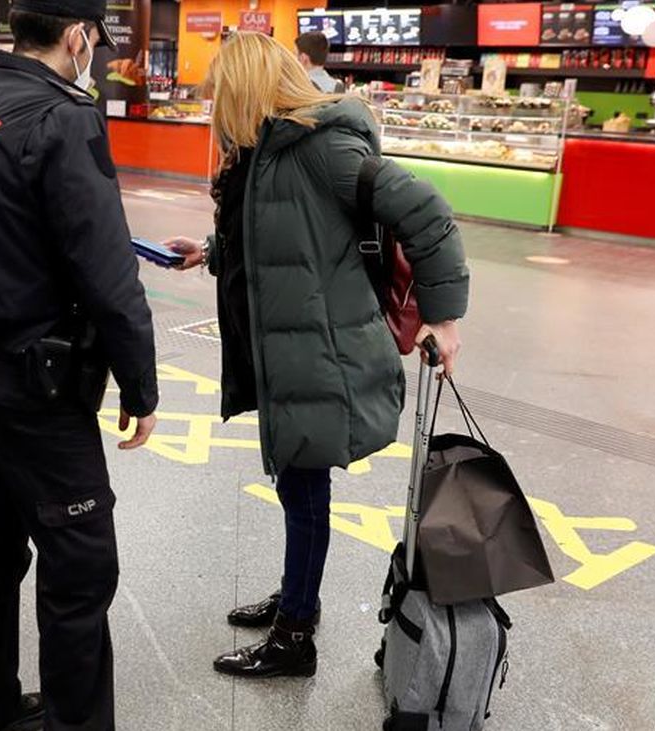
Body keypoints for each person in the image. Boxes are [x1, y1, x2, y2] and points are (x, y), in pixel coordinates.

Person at [162, 32, 469, 679]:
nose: (213, 106)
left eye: (220, 92)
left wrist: (445, 317)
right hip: (287, 353)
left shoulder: (321, 147)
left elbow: (431, 215)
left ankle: (294, 634)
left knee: (304, 491)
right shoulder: (264, 152)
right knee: (298, 487)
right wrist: (209, 254)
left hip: (318, 354)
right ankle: (297, 595)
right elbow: (279, 235)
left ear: (247, 89)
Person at [0, 0, 159, 727]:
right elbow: (106, 266)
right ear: (76, 36)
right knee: (81, 561)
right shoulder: (64, 116)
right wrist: (140, 382)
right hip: (39, 381)